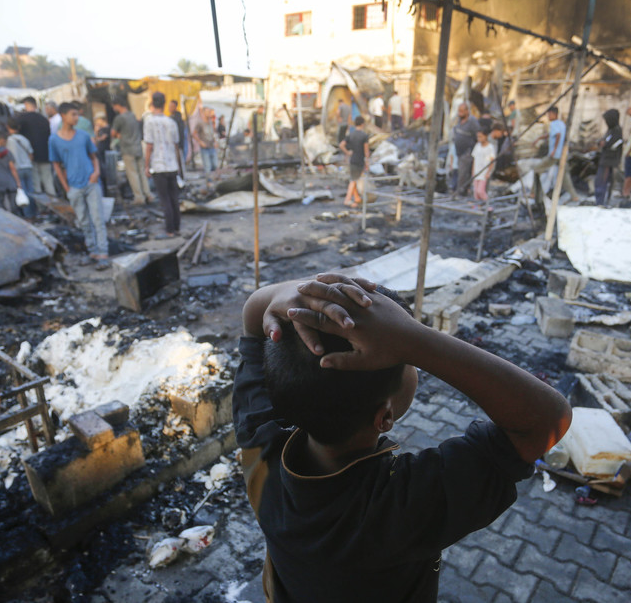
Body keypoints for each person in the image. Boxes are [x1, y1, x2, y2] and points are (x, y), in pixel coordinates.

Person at [234, 273, 571, 603]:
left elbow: (253, 316)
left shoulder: (261, 446)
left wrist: (292, 294)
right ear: (386, 417)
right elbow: (546, 420)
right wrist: (412, 339)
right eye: (409, 363)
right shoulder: (401, 506)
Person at [49, 102, 109, 269]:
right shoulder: (54, 140)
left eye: (77, 114)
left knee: (98, 219)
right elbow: (56, 165)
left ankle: (103, 253)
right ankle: (93, 251)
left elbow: (94, 156)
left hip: (91, 183)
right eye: (73, 114)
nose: (77, 118)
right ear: (63, 116)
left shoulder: (83, 136)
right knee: (83, 221)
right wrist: (66, 187)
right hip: (74, 186)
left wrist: (95, 173)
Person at [144, 92, 184, 238]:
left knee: (165, 199)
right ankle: (177, 227)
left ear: (152, 103)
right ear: (164, 103)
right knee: (174, 198)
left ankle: (169, 230)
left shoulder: (149, 122)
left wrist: (146, 165)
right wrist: (179, 166)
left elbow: (149, 146)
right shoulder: (171, 122)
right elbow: (176, 147)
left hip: (159, 166)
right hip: (172, 165)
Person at [111, 98, 153, 205]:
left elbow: (113, 133)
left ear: (117, 105)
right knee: (142, 173)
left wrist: (118, 135)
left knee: (133, 174)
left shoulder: (119, 118)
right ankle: (148, 194)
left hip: (128, 149)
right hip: (138, 147)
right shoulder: (133, 115)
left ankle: (139, 197)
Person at [532, 106, 578, 202]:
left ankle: (534, 193)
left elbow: (558, 135)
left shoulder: (554, 124)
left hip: (555, 155)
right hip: (562, 154)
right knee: (565, 176)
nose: (548, 116)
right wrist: (539, 138)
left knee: (537, 169)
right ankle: (574, 196)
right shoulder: (561, 124)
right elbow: (552, 134)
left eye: (549, 114)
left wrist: (554, 150)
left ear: (554, 114)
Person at [17, 97, 57, 198]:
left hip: (31, 156)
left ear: (26, 104)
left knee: (36, 182)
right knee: (48, 181)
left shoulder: (22, 119)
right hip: (45, 154)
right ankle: (54, 203)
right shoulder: (43, 119)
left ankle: (42, 207)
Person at [6, 118, 36, 218]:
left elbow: (9, 157)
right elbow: (30, 154)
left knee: (22, 192)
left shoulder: (9, 141)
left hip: (17, 169)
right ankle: (34, 213)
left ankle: (28, 215)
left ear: (8, 127)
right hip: (28, 167)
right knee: (31, 192)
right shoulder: (24, 139)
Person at [593, 109, 623, 206]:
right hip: (605, 158)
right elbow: (604, 140)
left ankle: (601, 202)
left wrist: (605, 144)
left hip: (609, 160)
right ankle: (599, 201)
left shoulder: (617, 130)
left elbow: (614, 144)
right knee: (600, 181)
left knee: (602, 180)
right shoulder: (610, 130)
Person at [339, 116, 369, 207]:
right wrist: (367, 162)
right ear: (362, 124)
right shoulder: (364, 136)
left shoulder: (351, 135)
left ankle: (356, 197)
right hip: (360, 160)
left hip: (352, 159)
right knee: (353, 180)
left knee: (354, 178)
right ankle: (347, 199)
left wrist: (347, 152)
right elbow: (366, 151)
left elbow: (341, 145)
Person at [451, 103, 478, 196]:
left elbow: (477, 136)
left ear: (467, 111)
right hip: (459, 151)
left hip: (467, 151)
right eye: (459, 111)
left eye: (462, 111)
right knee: (461, 172)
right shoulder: (459, 120)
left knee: (463, 174)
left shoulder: (472, 121)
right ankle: (463, 190)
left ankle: (459, 193)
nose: (460, 113)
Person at [193, 107, 220, 177]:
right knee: (207, 166)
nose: (209, 113)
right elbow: (194, 133)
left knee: (215, 165)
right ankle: (208, 181)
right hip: (205, 148)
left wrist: (216, 141)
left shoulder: (211, 123)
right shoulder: (200, 123)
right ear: (204, 113)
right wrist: (200, 142)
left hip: (212, 146)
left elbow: (213, 133)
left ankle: (211, 177)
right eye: (207, 112)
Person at [470, 130, 494, 204]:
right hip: (477, 170)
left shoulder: (490, 147)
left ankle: (488, 205)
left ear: (485, 136)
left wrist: (488, 172)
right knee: (476, 192)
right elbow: (474, 159)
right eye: (478, 137)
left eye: (480, 137)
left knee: (480, 191)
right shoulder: (477, 146)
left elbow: (492, 161)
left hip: (483, 172)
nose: (479, 138)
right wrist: (473, 171)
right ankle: (477, 206)